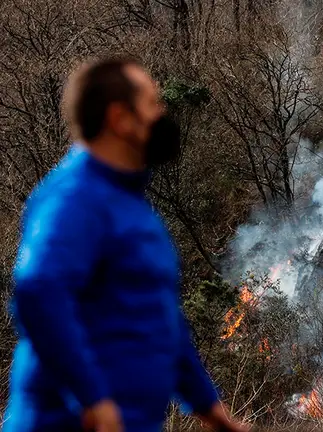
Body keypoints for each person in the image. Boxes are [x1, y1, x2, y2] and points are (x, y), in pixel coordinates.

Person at [2, 58, 249, 432]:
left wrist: (210, 407)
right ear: (120, 119)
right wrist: (93, 399)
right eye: (153, 103)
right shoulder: (76, 196)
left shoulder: (131, 203)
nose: (163, 113)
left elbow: (160, 317)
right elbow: (39, 290)